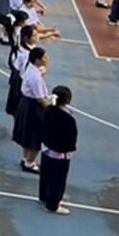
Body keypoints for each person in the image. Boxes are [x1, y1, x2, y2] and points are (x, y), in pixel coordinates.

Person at [39, 85, 77, 215]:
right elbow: (71, 138)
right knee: (58, 179)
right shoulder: (68, 119)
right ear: (68, 100)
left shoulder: (49, 110)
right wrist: (70, 149)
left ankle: (44, 196)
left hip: (46, 149)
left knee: (45, 175)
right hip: (60, 154)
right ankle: (53, 204)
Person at [13, 47, 51, 173]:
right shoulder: (35, 77)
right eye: (44, 57)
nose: (47, 59)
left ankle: (25, 159)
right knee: (35, 136)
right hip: (33, 108)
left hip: (26, 104)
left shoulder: (30, 69)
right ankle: (29, 163)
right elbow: (41, 99)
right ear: (37, 60)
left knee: (27, 135)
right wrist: (51, 111)